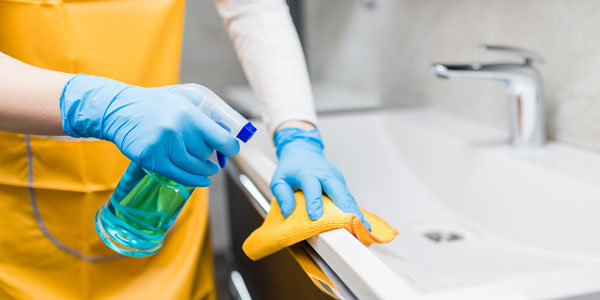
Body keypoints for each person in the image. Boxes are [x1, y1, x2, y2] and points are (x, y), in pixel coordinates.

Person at [0, 0, 369, 299]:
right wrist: (92, 104)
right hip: (24, 218)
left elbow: (254, 9)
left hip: (163, 192)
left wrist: (297, 133)